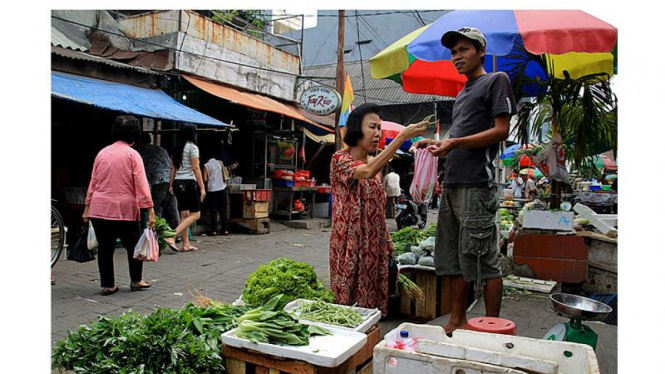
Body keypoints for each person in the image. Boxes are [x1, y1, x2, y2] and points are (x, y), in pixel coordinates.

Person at [414, 27, 517, 333]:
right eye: (453, 52)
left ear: (481, 51)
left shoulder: (497, 80)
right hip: (454, 185)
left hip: (477, 185)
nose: (456, 57)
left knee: (484, 260)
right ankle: (458, 318)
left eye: (463, 50)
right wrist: (435, 144)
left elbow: (501, 131)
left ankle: (493, 326)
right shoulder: (462, 94)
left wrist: (454, 144)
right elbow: (458, 138)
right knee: (455, 258)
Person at [329, 103, 427, 316]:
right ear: (356, 128)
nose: (377, 133)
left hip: (375, 242)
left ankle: (369, 335)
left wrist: (388, 240)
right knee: (347, 300)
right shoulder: (340, 159)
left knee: (371, 297)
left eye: (379, 128)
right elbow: (366, 171)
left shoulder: (375, 162)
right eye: (372, 127)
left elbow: (378, 207)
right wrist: (401, 137)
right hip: (350, 242)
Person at [82, 115, 155, 296]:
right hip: (124, 210)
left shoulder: (102, 153)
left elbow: (94, 182)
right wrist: (150, 209)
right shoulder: (133, 155)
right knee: (134, 246)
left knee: (106, 248)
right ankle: (136, 280)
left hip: (100, 208)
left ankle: (109, 284)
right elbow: (141, 184)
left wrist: (87, 207)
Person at [165, 123, 206, 252]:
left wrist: (171, 185)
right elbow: (196, 168)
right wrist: (202, 187)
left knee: (185, 214)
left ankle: (186, 244)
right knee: (196, 214)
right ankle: (172, 236)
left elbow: (173, 168)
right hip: (188, 183)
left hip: (177, 183)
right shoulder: (193, 148)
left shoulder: (176, 148)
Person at [136, 132, 180, 229]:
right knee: (172, 207)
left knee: (156, 208)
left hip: (159, 182)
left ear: (140, 142)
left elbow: (144, 173)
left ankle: (156, 233)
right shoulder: (161, 149)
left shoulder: (142, 153)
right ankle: (177, 233)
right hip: (171, 179)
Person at [203, 156, 229, 236]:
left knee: (213, 210)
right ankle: (225, 230)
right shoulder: (220, 163)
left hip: (212, 190)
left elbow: (205, 178)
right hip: (222, 188)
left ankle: (214, 230)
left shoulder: (206, 165)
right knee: (223, 209)